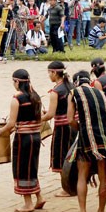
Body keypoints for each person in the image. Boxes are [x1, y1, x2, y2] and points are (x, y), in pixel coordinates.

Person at [67, 70, 106, 212]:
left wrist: (81, 128)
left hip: (87, 139)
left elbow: (70, 119)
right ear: (89, 80)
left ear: (76, 82)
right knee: (103, 176)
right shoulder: (101, 93)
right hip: (105, 139)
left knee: (82, 176)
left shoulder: (74, 93)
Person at [0, 69, 45, 212]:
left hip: (23, 139)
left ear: (17, 82)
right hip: (36, 137)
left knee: (21, 168)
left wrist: (0, 132)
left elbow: (11, 123)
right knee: (32, 166)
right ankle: (39, 197)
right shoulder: (36, 96)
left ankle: (28, 204)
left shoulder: (17, 99)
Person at [40, 62, 74, 197]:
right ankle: (74, 184)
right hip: (74, 125)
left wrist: (38, 118)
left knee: (61, 156)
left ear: (54, 73)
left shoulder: (56, 91)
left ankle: (67, 188)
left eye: (49, 73)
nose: (49, 75)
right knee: (72, 154)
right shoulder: (72, 86)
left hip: (62, 127)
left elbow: (50, 115)